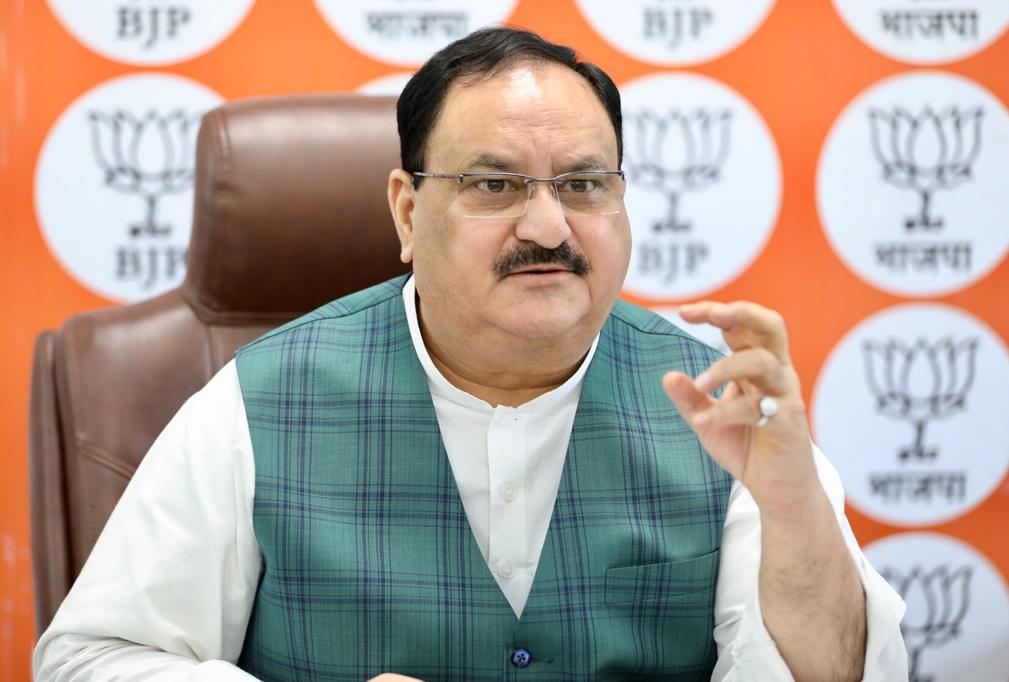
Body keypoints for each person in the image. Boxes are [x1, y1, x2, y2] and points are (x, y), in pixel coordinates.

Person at [33, 27, 907, 681]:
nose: (548, 226)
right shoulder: (260, 400)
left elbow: (835, 671)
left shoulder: (712, 403)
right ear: (408, 214)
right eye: (495, 185)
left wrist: (795, 511)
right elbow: (90, 657)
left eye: (584, 185)